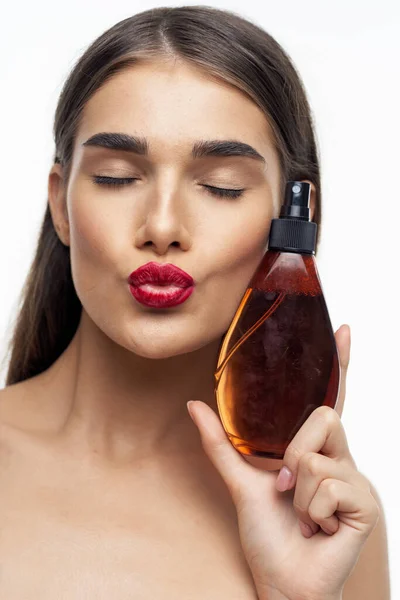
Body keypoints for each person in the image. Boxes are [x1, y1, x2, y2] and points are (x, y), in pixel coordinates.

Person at [0, 6, 390, 599]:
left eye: (220, 187)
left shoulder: (328, 521)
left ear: (296, 223)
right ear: (60, 205)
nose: (162, 226)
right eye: (116, 177)